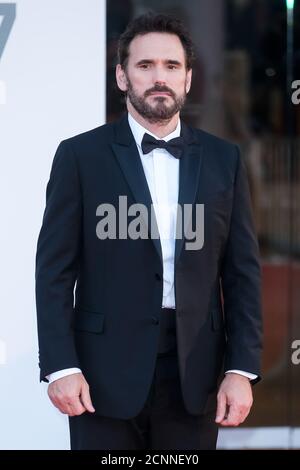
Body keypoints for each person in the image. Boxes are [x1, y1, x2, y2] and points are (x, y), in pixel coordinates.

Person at [35, 13, 263, 450]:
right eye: (145, 66)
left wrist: (241, 368)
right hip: (100, 377)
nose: (159, 78)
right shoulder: (79, 157)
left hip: (196, 375)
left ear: (189, 79)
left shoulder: (224, 161)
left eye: (171, 66)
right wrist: (62, 367)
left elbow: (243, 274)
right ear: (122, 77)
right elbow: (54, 272)